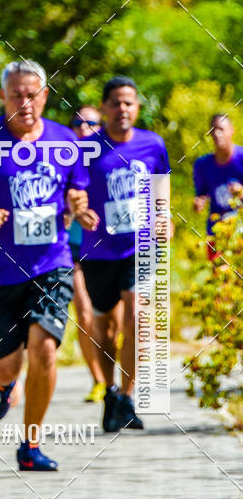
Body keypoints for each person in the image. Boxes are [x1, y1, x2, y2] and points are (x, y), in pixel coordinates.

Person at [0, 60, 95, 471]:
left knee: (44, 349)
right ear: (3, 97)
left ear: (44, 96)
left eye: (32, 95)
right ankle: (2, 386)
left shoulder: (65, 140)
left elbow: (77, 191)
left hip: (52, 262)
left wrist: (78, 208)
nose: (25, 104)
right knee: (6, 366)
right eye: (16, 95)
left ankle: (31, 445)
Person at [79, 76, 170, 433]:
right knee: (104, 328)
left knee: (136, 316)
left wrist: (164, 217)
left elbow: (161, 188)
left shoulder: (153, 144)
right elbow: (73, 192)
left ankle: (127, 396)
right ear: (103, 108)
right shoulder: (87, 149)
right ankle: (111, 392)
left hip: (140, 247)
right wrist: (80, 210)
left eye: (129, 102)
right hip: (99, 252)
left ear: (137, 108)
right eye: (115, 102)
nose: (122, 109)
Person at [67, 107, 105, 403]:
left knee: (112, 319)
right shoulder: (64, 157)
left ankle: (113, 373)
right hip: (72, 246)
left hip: (106, 249)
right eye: (77, 123)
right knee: (84, 312)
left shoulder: (108, 158)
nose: (83, 128)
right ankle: (98, 380)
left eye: (90, 123)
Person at [193, 114, 243, 261]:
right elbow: (200, 196)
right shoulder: (202, 164)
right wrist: (198, 204)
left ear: (231, 130)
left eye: (221, 129)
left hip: (240, 232)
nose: (217, 133)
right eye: (213, 130)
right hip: (216, 234)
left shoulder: (241, 158)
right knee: (220, 279)